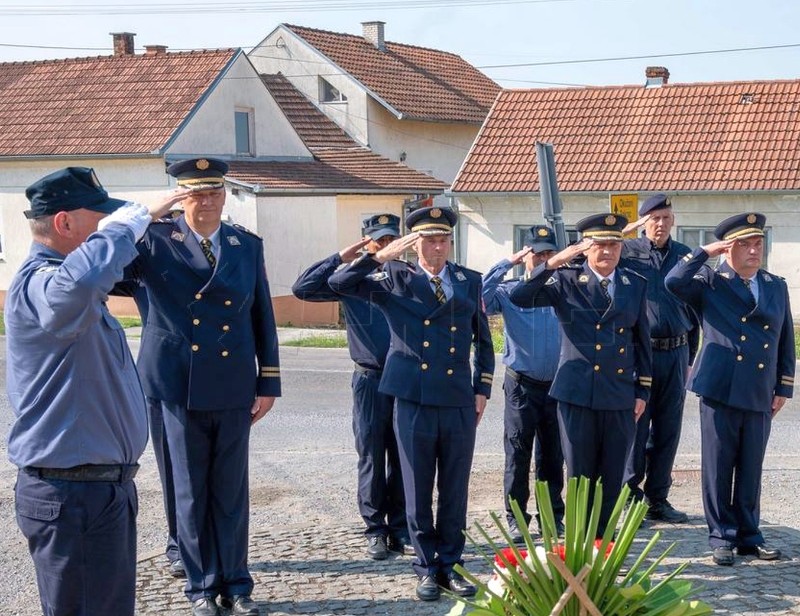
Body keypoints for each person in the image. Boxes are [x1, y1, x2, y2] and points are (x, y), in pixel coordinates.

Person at [5, 167, 186, 615]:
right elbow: (77, 286)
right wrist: (128, 223)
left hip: (99, 490)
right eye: (98, 218)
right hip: (71, 495)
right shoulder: (39, 284)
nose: (107, 225)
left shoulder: (70, 283)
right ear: (64, 223)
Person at [126, 158, 281, 616]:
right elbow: (104, 263)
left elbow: (262, 317)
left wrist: (267, 380)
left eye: (214, 191)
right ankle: (201, 587)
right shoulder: (153, 241)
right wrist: (142, 218)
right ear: (180, 196)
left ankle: (237, 582)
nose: (206, 200)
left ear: (225, 194)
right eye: (195, 192)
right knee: (190, 490)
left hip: (233, 384)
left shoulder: (244, 245)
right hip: (178, 383)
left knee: (232, 490)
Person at [328, 206, 494, 602]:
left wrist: (482, 386)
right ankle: (425, 566)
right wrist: (378, 256)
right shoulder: (392, 278)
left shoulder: (468, 280)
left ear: (451, 242)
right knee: (417, 488)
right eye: (428, 239)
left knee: (455, 487)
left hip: (456, 398)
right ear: (414, 242)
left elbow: (483, 340)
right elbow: (338, 282)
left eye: (443, 239)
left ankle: (451, 564)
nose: (437, 247)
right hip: (412, 396)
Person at [509, 213, 652, 537]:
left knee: (613, 474)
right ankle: (580, 543)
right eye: (599, 245)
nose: (608, 251)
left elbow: (641, 341)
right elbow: (521, 297)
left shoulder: (634, 284)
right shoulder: (565, 280)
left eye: (614, 244)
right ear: (585, 248)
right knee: (580, 475)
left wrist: (642, 390)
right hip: (577, 393)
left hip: (619, 395)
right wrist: (555, 262)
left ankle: (605, 544)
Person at [665, 212, 794, 567]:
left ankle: (750, 536)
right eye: (745, 245)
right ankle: (721, 535)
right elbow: (673, 282)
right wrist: (705, 252)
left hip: (759, 388)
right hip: (721, 386)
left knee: (751, 466)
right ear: (728, 248)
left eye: (758, 244)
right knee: (719, 465)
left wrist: (784, 384)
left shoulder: (774, 284)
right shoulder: (710, 281)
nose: (754, 251)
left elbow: (785, 339)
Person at [291, 214, 412, 560]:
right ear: (367, 241)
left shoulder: (405, 275)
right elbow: (303, 288)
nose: (387, 246)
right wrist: (341, 257)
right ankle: (375, 528)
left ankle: (401, 526)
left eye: (392, 240)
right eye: (379, 240)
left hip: (403, 377)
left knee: (403, 455)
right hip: (370, 378)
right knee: (372, 454)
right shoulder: (350, 279)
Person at [482, 225, 564, 542]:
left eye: (548, 253)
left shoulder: (560, 289)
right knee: (518, 454)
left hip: (556, 386)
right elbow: (483, 299)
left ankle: (551, 516)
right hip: (522, 385)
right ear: (525, 256)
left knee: (552, 456)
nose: (543, 259)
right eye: (537, 254)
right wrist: (505, 264)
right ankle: (516, 518)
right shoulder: (510, 291)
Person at [620, 194, 698, 523]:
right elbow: (597, 246)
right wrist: (628, 230)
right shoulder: (628, 253)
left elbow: (694, 309)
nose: (660, 224)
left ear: (673, 220)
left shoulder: (685, 257)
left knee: (668, 429)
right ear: (643, 222)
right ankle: (630, 495)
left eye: (666, 218)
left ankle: (658, 498)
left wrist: (690, 355)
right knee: (636, 427)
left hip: (677, 352)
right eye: (654, 218)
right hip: (642, 353)